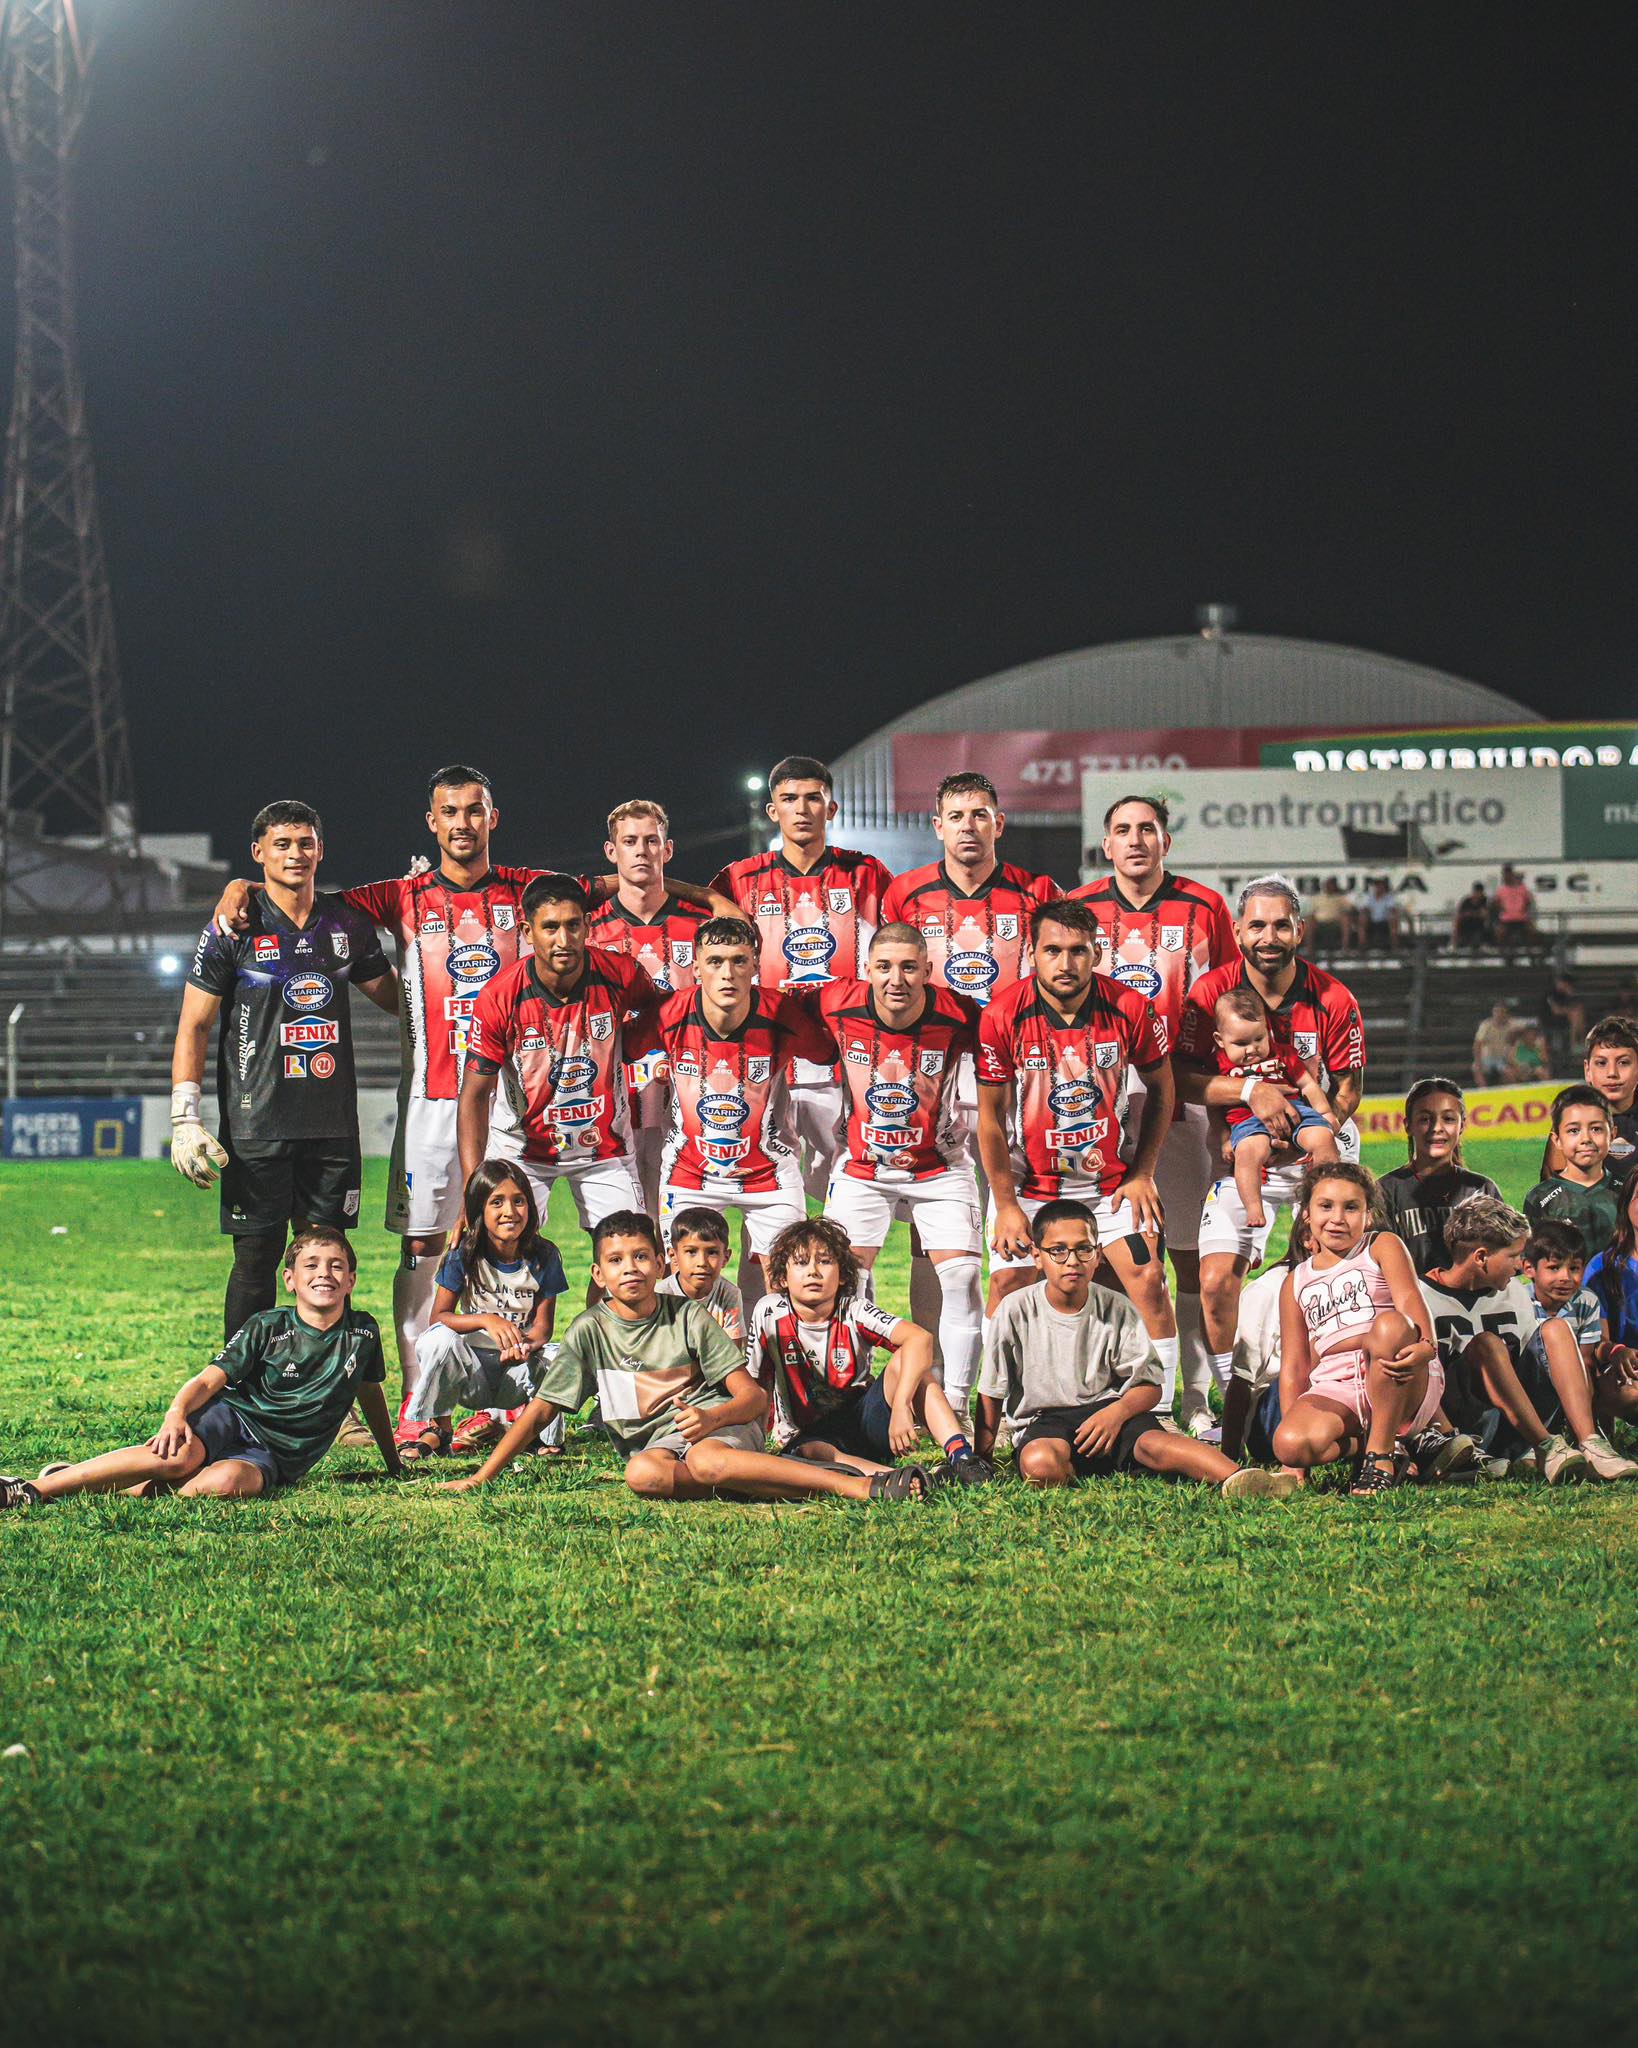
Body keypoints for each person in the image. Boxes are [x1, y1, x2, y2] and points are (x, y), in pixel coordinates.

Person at [207, 769, 727, 1416]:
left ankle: (521, 1394)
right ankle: (417, 1401)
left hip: (510, 1103)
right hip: (431, 1099)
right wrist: (244, 886)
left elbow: (627, 880)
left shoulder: (524, 891)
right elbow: (309, 892)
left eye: (474, 811)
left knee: (505, 1245)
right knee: (425, 1246)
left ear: (492, 818)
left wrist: (710, 900)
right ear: (432, 821)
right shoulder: (401, 894)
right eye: (449, 811)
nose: (461, 823)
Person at [437, 1212, 926, 1503]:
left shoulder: (688, 1317)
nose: (630, 1268)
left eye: (641, 1257)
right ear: (598, 1275)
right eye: (615, 1260)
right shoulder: (589, 1331)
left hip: (719, 1427)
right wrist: (482, 1476)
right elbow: (541, 1409)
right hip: (658, 1450)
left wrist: (711, 1417)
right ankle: (754, 1479)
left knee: (710, 1457)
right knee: (641, 1474)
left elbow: (753, 1400)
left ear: (660, 1263)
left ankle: (855, 1489)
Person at [170, 800, 397, 1339]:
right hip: (256, 1127)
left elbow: (399, 999)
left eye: (304, 843)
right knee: (256, 1261)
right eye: (282, 844)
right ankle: (242, 1398)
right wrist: (185, 1117)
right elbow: (194, 1025)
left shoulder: (346, 923)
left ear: (321, 849)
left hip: (332, 1128)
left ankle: (327, 1397)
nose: (295, 854)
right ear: (259, 854)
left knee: (328, 1265)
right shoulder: (233, 926)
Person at [1, 1229, 401, 1510]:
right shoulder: (268, 1326)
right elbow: (211, 1378)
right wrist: (176, 1414)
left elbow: (369, 1392)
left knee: (222, 1485)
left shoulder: (363, 1331)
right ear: (290, 1280)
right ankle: (33, 1489)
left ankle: (93, 1481)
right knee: (176, 1459)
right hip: (232, 1417)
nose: (323, 1274)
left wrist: (393, 1461)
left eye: (335, 1266)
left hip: (276, 1455)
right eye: (311, 1265)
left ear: (350, 1280)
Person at [1067, 793, 1238, 1424]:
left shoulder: (1206, 907)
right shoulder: (1078, 910)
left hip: (1183, 1095)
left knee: (1188, 1249)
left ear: (1167, 840)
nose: (1135, 840)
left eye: (1147, 829)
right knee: (1118, 1252)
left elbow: (1229, 1004)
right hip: (1098, 1099)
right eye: (1121, 831)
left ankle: (1195, 1400)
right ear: (1105, 844)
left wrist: (1225, 1113)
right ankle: (1123, 1386)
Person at [1174, 875, 1366, 1409]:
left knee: (1334, 1278)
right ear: (1237, 931)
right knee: (1213, 1282)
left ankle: (1335, 1391)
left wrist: (1310, 1129)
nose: (1269, 935)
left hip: (1314, 1150)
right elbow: (1184, 1079)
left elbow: (1348, 1088)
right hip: (1243, 1150)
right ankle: (1229, 1395)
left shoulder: (1333, 996)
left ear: (1300, 930)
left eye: (1281, 924)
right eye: (1257, 924)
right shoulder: (1209, 992)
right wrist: (1251, 1092)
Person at [977, 898, 1180, 1402]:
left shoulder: (1130, 1007)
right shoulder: (1002, 1014)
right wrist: (1005, 1205)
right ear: (1031, 952)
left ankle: (1161, 1408)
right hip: (1031, 1186)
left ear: (1097, 953)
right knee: (1006, 1287)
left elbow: (1164, 1090)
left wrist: (1143, 1172)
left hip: (1109, 1184)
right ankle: (1000, 1413)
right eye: (1052, 950)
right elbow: (989, 1120)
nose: (1065, 964)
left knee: (1149, 1277)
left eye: (1077, 951)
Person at [973, 1200, 1295, 1498]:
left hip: (1112, 1413)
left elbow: (1150, 1385)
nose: (1072, 1261)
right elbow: (991, 1392)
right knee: (1040, 1463)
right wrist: (981, 1459)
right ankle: (1078, 1468)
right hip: (1044, 1421)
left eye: (1083, 1250)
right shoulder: (1015, 1310)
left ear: (1098, 1256)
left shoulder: (1117, 1307)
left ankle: (1242, 1480)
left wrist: (1116, 1413)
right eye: (1058, 1251)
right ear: (1037, 1257)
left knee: (1160, 1444)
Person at [708, 756, 893, 1209]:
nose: (802, 809)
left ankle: (846, 1281)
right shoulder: (738, 878)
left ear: (831, 809)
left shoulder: (866, 873)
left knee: (848, 1189)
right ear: (773, 811)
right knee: (768, 1193)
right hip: (765, 1059)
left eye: (814, 798)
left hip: (845, 1058)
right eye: (789, 799)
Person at [816, 924, 985, 1415]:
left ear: (928, 972)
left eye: (910, 967)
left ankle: (954, 1405)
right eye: (885, 967)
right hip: (864, 1168)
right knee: (845, 1280)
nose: (897, 979)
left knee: (963, 1279)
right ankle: (863, 1398)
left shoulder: (959, 1014)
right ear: (866, 971)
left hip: (942, 1166)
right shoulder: (832, 1003)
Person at [627, 917, 836, 1277]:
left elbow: (826, 1053)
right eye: (715, 961)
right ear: (696, 967)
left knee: (789, 1285)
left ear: (755, 964)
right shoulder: (669, 1014)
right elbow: (626, 1048)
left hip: (770, 1175)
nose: (728, 973)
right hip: (690, 1174)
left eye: (739, 961)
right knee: (683, 1288)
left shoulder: (781, 1015)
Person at [458, 873, 662, 1237]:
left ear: (587, 925)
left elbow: (660, 1014)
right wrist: (471, 1193)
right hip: (521, 1150)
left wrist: (631, 1045)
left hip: (604, 1146)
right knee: (498, 1248)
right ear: (526, 931)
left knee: (627, 1250)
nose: (563, 940)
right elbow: (473, 1097)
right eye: (550, 928)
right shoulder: (499, 996)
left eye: (572, 925)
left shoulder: (622, 974)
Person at [747, 1217, 989, 1487]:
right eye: (802, 1263)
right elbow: (756, 1384)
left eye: (825, 1261)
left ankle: (963, 1459)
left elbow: (920, 1339)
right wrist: (753, 1447)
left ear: (843, 1275)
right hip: (808, 1440)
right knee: (812, 1452)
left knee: (911, 1362)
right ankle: (910, 1478)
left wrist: (900, 1406)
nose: (813, 1272)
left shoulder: (853, 1309)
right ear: (782, 1276)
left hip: (866, 1424)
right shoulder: (768, 1312)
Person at [1270, 1163, 1442, 1495]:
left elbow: (1409, 1299)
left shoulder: (1380, 1246)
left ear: (1368, 1214)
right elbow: (1294, 1367)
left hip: (1399, 1371)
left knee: (1390, 1325)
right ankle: (1367, 1446)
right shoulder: (1295, 1281)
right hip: (1337, 1386)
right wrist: (1294, 1466)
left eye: (1351, 1207)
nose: (1337, 1218)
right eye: (1325, 1206)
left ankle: (1380, 1459)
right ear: (1306, 1213)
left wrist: (1426, 1345)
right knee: (1289, 1444)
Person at [588, 800, 726, 1213]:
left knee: (683, 1204)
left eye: (652, 841)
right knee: (626, 1211)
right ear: (612, 853)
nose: (641, 851)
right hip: (614, 1082)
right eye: (629, 841)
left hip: (686, 1083)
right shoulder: (589, 930)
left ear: (668, 850)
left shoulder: (703, 926)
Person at [399, 1159, 568, 1461]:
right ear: (479, 1210)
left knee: (559, 1356)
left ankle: (539, 1435)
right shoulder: (464, 1253)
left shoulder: (545, 1254)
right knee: (438, 1339)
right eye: (497, 1202)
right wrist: (485, 1320)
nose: (510, 1212)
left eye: (519, 1201)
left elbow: (544, 1326)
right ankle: (438, 1429)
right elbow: (439, 1318)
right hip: (469, 1371)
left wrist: (526, 1345)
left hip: (516, 1368)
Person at [1421, 1197, 1588, 1482]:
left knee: (1556, 1329)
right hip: (1459, 1428)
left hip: (1514, 1424)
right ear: (1481, 1257)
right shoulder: (1419, 1294)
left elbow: (1534, 1362)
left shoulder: (1513, 1293)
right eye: (1514, 1256)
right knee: (1487, 1344)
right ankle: (1545, 1445)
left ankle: (1589, 1441)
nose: (1521, 1266)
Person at [1212, 985, 1339, 1231]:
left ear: (1267, 1031)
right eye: (1240, 1043)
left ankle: (1323, 1197)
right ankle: (1253, 1207)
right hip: (1248, 1122)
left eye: (1259, 1039)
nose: (1252, 1049)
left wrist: (1325, 1113)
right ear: (1220, 1040)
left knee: (1323, 1138)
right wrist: (1224, 1138)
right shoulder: (1219, 1065)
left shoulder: (1284, 1055)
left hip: (1295, 1112)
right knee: (1247, 1155)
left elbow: (1309, 1086)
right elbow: (1214, 1106)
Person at [1518, 1221, 1638, 1480]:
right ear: (1528, 1268)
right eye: (1553, 1267)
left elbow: (1586, 1361)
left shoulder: (1585, 1301)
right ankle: (1533, 1443)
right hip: (1530, 1386)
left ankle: (1591, 1440)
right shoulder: (1517, 1300)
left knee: (1588, 1367)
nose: (1565, 1277)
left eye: (1574, 1268)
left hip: (1571, 1385)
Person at [1376, 1077, 1500, 1276]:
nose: (1436, 1128)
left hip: (1472, 1304)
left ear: (1462, 1125)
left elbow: (1501, 1258)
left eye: (1448, 1119)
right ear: (1408, 1125)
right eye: (1425, 1119)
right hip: (1410, 1303)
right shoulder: (1386, 1190)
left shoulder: (1481, 1189)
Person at [1523, 1085, 1625, 1259]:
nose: (1586, 1139)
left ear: (1612, 1135)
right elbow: (1534, 1260)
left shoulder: (1627, 1190)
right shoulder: (1540, 1197)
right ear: (1557, 1140)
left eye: (1596, 1129)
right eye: (1573, 1131)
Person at [1541, 1016, 1638, 1177]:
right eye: (1601, 1063)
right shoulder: (1569, 1119)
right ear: (1587, 1070)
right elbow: (1551, 1191)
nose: (1612, 1073)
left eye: (1623, 1062)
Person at [1583, 1167, 1638, 1436]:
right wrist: (1619, 1352)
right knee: (1627, 1394)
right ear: (1626, 1204)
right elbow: (1596, 1343)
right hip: (1628, 1371)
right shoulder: (1602, 1267)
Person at [657, 1206, 746, 1342]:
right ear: (673, 1256)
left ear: (726, 1258)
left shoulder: (729, 1294)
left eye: (712, 1252)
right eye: (691, 1251)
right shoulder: (660, 1295)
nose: (702, 1262)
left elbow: (734, 1355)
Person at [1540, 972, 1587, 1074]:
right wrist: (1569, 1011)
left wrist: (1570, 997)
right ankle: (1574, 1042)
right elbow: (1556, 1010)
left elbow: (1577, 1007)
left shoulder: (1566, 995)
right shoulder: (1551, 994)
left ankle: (1578, 1041)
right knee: (1574, 1014)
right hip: (1550, 1023)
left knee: (1578, 1013)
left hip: (1564, 1024)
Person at [1493, 865, 1537, 952]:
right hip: (1506, 919)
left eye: (1508, 874)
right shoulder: (1501, 890)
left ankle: (1531, 951)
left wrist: (1523, 909)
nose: (1506, 877)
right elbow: (1496, 902)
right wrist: (1502, 909)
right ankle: (1502, 951)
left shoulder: (1522, 888)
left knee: (1532, 931)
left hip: (1521, 917)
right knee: (1499, 933)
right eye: (1505, 875)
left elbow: (1528, 901)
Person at [1471, 1001, 1514, 1087]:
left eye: (1502, 1011)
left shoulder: (1511, 1026)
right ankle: (1484, 1092)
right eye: (1496, 1011)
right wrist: (1478, 1061)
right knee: (1476, 1068)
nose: (1499, 1014)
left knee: (1509, 1073)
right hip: (1486, 1058)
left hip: (1502, 1058)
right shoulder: (1486, 1025)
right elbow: (1477, 1044)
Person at [1307, 877, 1352, 956]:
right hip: (1320, 922)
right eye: (1327, 885)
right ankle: (1310, 949)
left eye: (1331, 885)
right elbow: (1311, 912)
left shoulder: (1340, 898)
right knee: (1310, 921)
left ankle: (1345, 948)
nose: (1329, 887)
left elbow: (1350, 909)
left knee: (1345, 919)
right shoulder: (1317, 898)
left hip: (1335, 922)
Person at [1357, 876, 1402, 952]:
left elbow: (1392, 909)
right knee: (1362, 918)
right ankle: (1362, 945)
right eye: (1377, 886)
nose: (1378, 888)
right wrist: (1365, 912)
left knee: (1393, 919)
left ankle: (1394, 946)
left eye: (1380, 886)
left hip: (1385, 921)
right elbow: (1363, 908)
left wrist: (1391, 914)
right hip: (1371, 921)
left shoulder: (1389, 897)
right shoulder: (1369, 897)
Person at [1450, 881, 1490, 951]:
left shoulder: (1484, 901)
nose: (1478, 895)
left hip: (1478, 927)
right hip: (1465, 927)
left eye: (1480, 893)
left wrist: (1472, 914)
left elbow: (1484, 914)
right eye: (1476, 892)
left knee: (1477, 942)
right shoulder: (1466, 901)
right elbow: (1459, 915)